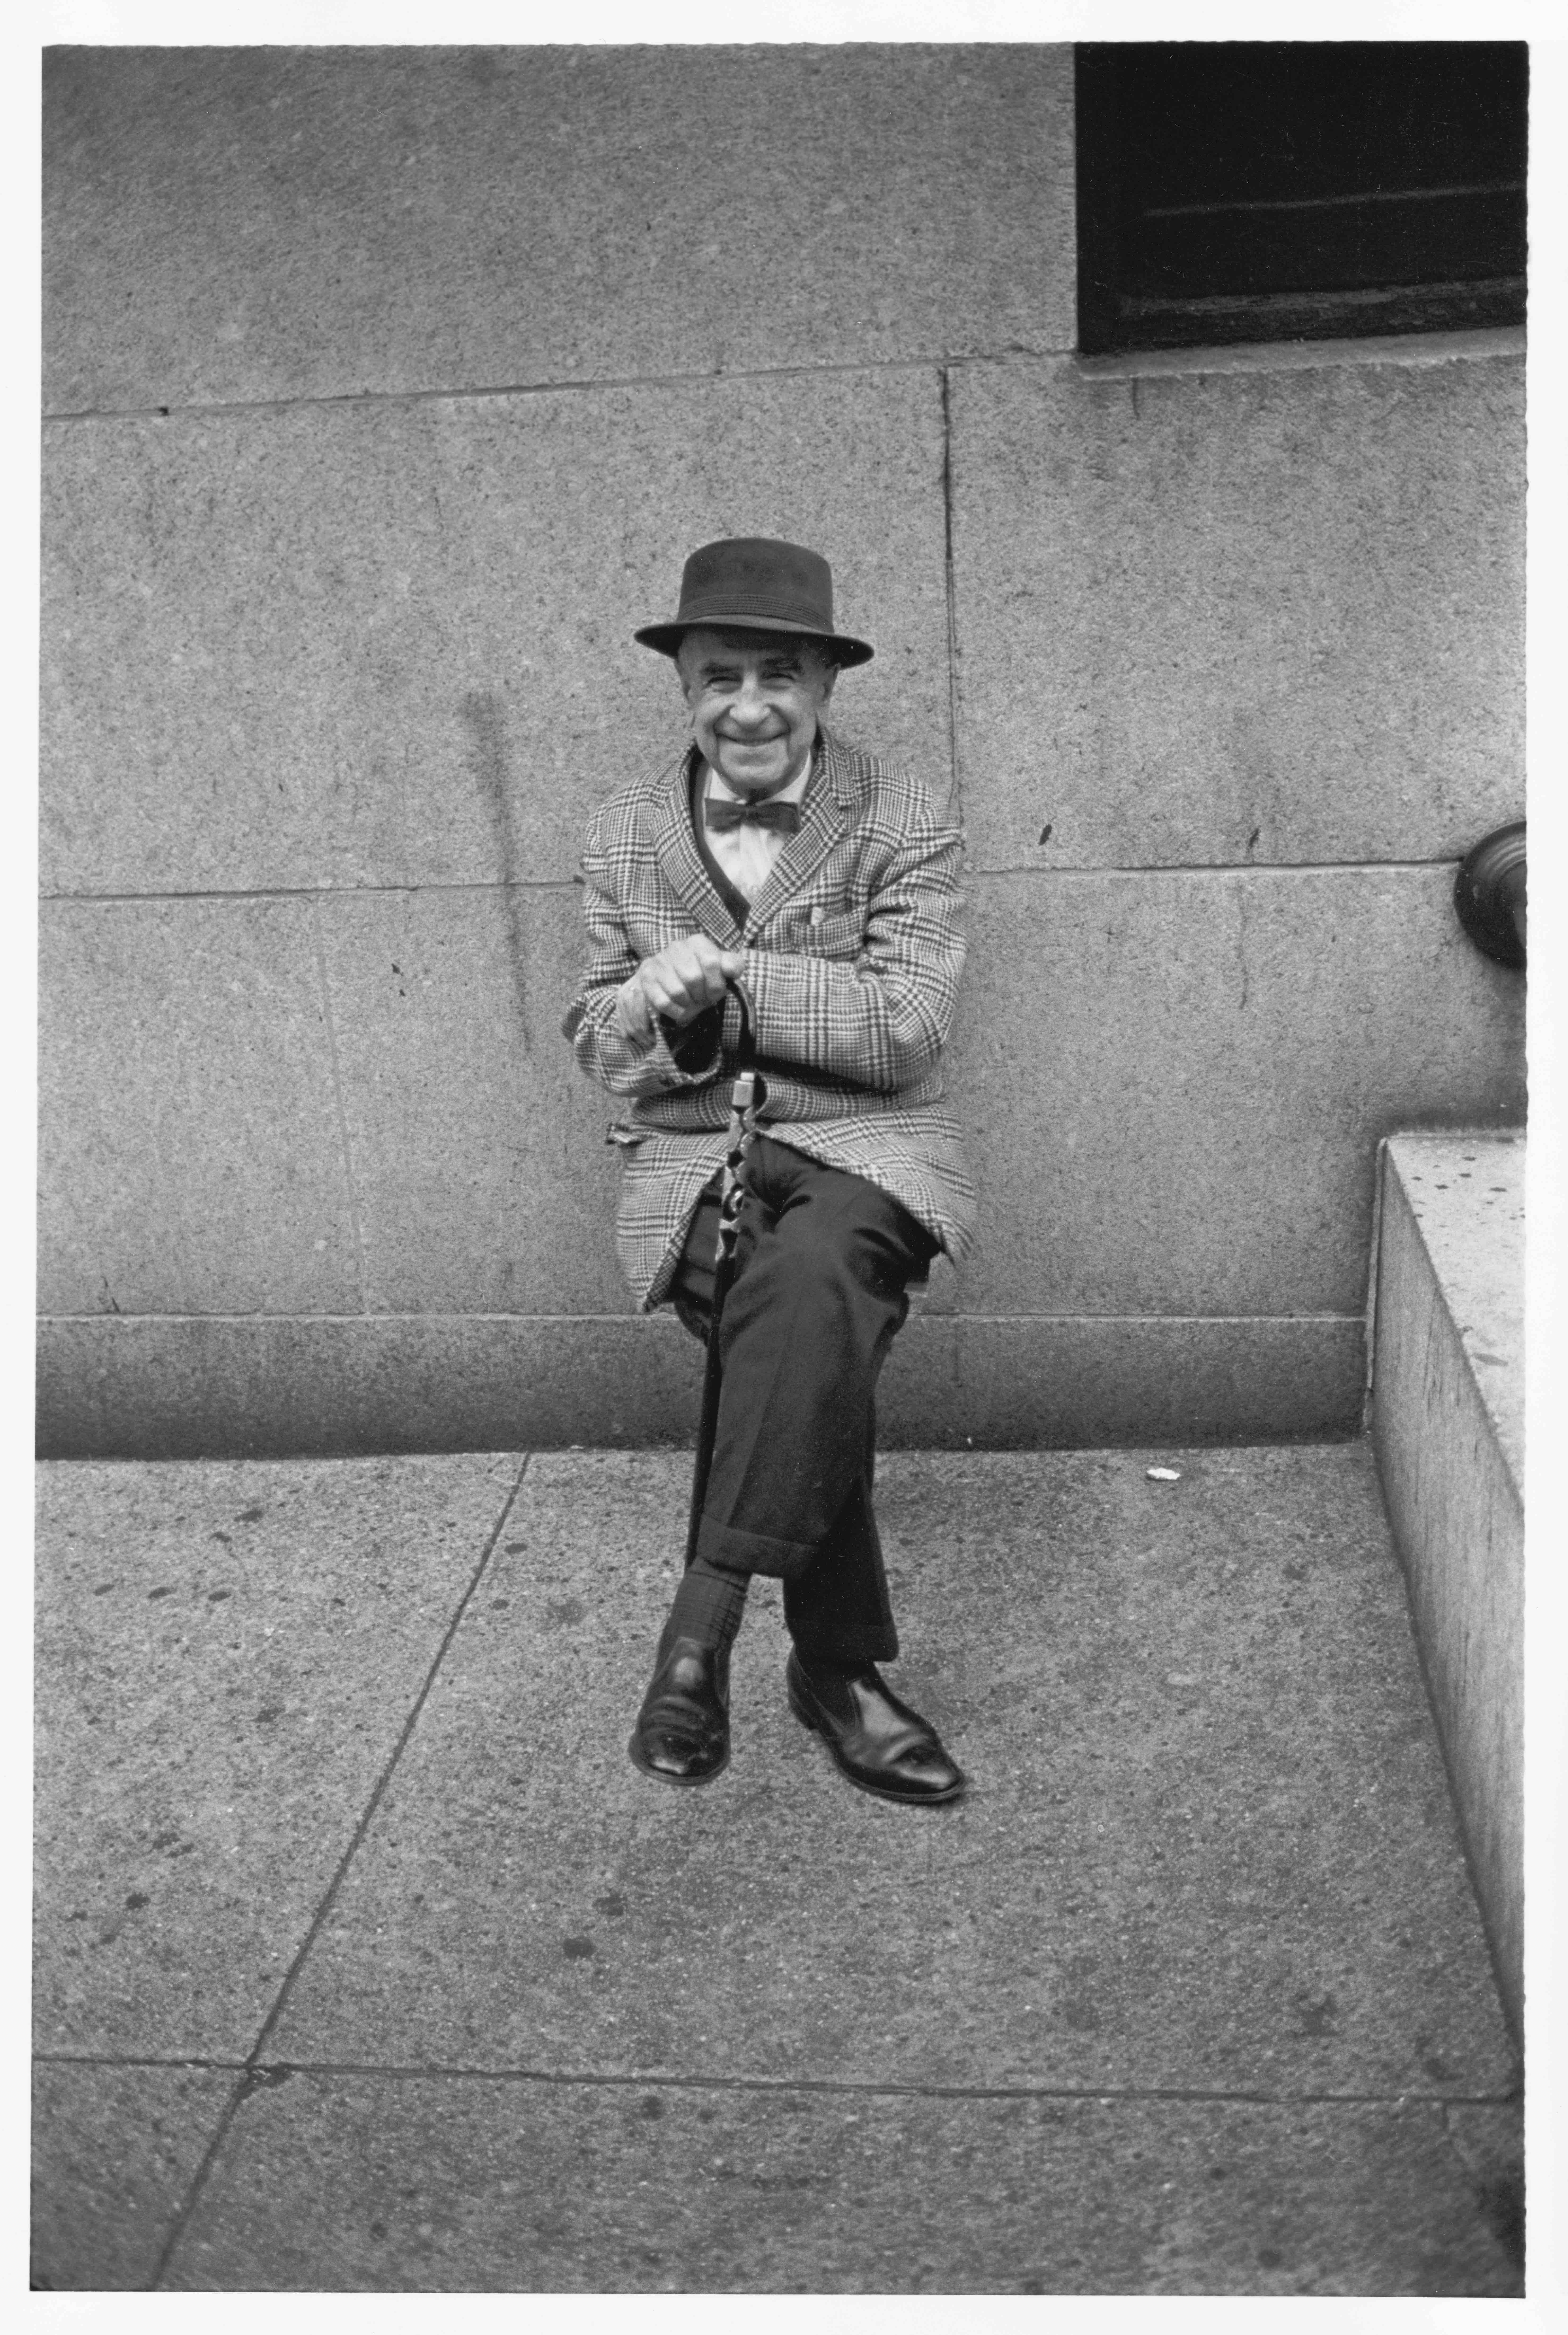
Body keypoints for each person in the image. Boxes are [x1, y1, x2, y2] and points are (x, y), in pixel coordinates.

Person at [563, 536, 977, 1804]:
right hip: (693, 1161)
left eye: (780, 675)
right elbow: (596, 1044)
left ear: (826, 688)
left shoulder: (900, 818)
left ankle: (700, 1632)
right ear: (684, 685)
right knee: (803, 1330)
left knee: (814, 1282)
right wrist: (642, 999)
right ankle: (836, 1672)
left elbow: (908, 1027)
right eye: (721, 675)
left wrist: (736, 978)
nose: (749, 705)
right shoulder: (626, 831)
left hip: (867, 1150)